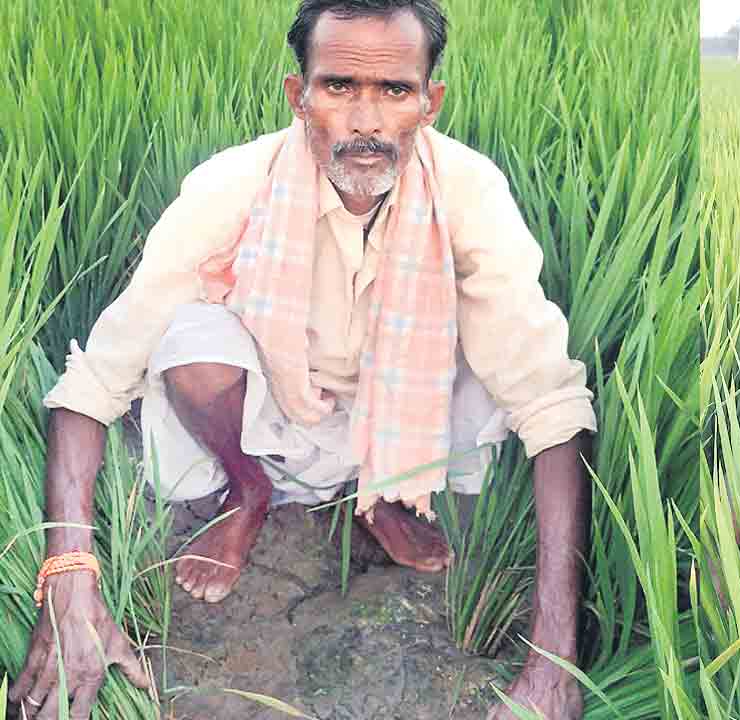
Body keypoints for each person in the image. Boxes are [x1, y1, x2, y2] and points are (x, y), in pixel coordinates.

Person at [9, 2, 591, 718]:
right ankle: (248, 489)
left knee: (512, 363)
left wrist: (552, 661)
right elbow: (95, 382)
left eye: (395, 91)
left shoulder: (469, 192)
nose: (367, 121)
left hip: (416, 421)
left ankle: (386, 494)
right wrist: (70, 580)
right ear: (299, 95)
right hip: (275, 409)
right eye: (340, 86)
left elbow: (553, 408)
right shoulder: (234, 183)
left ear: (430, 103)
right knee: (187, 335)